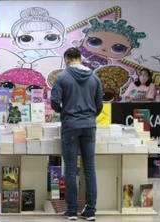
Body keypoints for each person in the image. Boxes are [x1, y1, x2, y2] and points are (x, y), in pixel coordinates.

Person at [51, 47, 103, 221]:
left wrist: (65, 111)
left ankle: (72, 211)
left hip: (70, 126)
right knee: (90, 169)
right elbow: (99, 105)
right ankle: (91, 211)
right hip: (89, 126)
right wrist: (89, 117)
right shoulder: (94, 77)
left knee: (71, 169)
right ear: (80, 59)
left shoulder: (61, 77)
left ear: (66, 59)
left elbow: (54, 103)